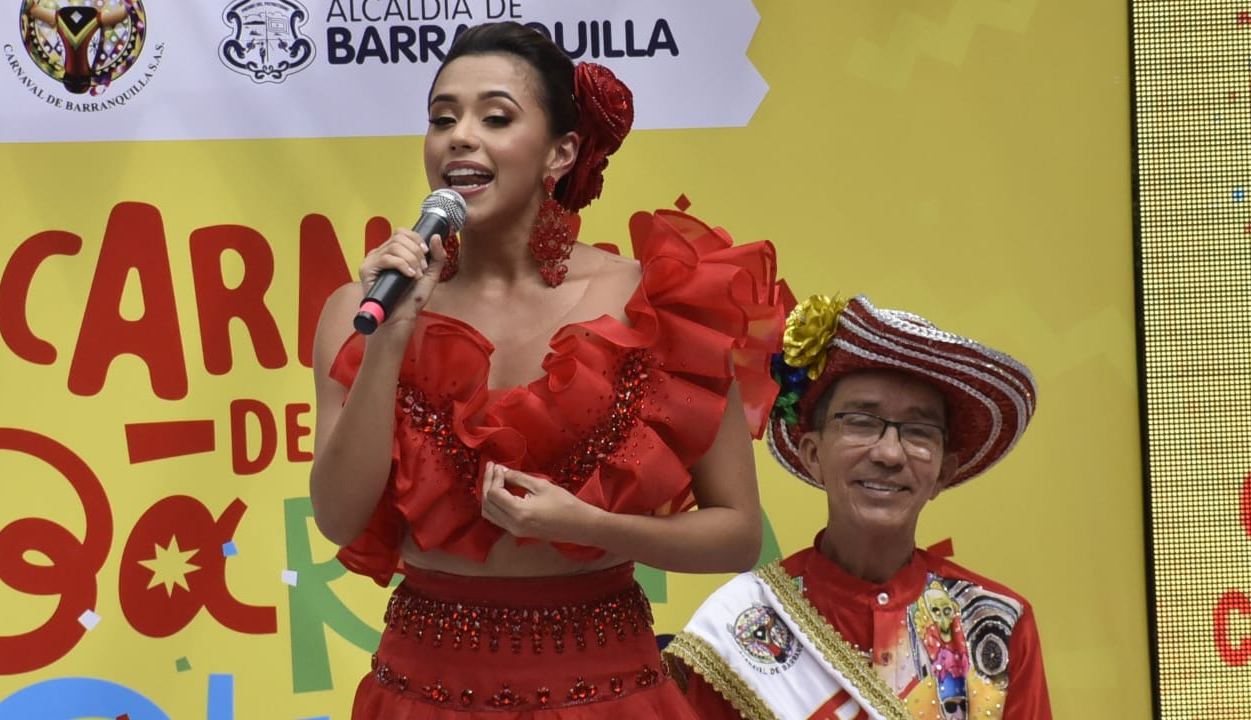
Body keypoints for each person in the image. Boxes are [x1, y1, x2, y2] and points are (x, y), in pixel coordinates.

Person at [309, 21, 784, 719]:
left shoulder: (654, 302)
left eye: (495, 117)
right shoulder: (365, 308)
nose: (460, 137)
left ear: (560, 151)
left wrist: (596, 526)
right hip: (423, 686)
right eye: (443, 118)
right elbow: (339, 519)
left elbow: (737, 533)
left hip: (606, 688)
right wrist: (393, 336)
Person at [664, 293, 1053, 719]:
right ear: (813, 453)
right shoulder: (738, 624)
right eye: (862, 422)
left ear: (944, 471)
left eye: (919, 431)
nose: (889, 453)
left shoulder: (997, 621)